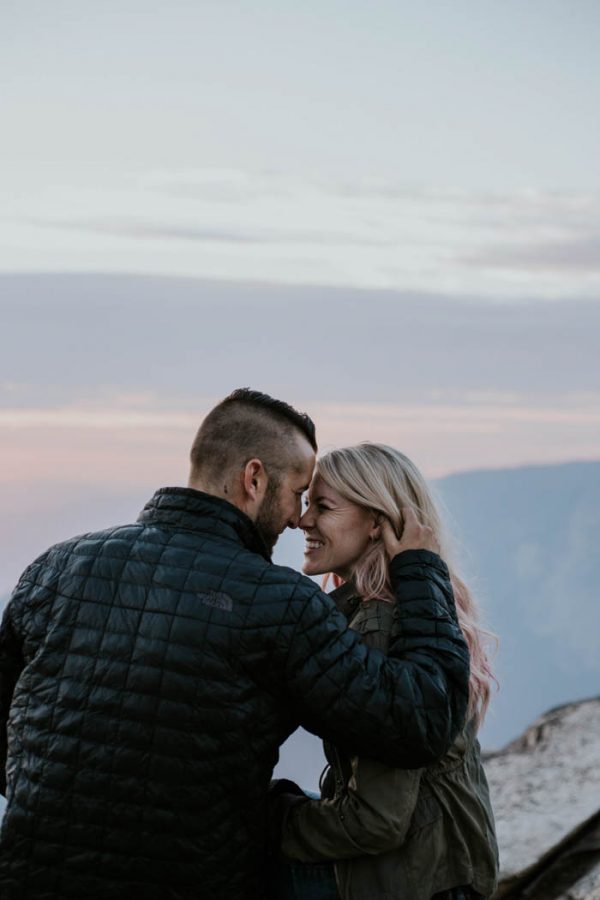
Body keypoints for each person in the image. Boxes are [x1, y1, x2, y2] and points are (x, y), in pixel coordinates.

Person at [0, 390, 469, 900]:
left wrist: (54, 797)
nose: (298, 518)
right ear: (254, 479)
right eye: (297, 493)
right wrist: (421, 573)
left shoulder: (54, 568)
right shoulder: (277, 604)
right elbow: (420, 720)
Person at [274, 443, 499, 900]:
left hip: (416, 880)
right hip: (450, 871)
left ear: (377, 522)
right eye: (306, 503)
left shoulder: (379, 625)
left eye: (324, 506)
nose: (302, 520)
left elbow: (378, 821)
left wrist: (273, 820)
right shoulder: (417, 607)